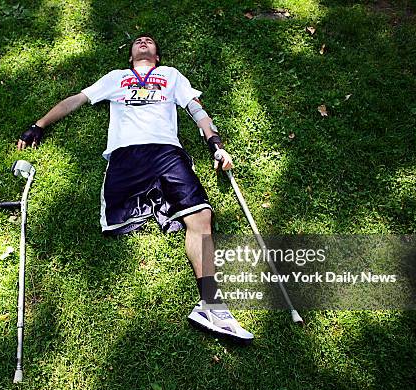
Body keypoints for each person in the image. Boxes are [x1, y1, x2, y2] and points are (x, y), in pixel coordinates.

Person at [17, 34, 253, 343]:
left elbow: (196, 110)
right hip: (126, 154)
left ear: (156, 56)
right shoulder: (117, 78)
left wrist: (216, 146)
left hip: (168, 152)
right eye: (138, 41)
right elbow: (76, 100)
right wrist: (40, 124)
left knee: (202, 217)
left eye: (150, 41)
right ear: (131, 57)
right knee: (123, 219)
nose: (143, 41)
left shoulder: (170, 76)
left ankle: (211, 305)